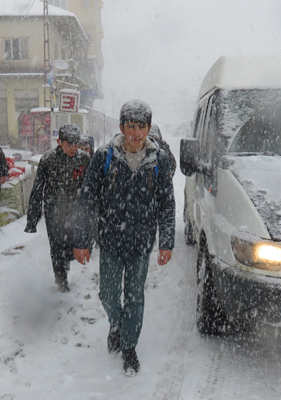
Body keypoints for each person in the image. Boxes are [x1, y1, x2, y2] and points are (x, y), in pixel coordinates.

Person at [73, 100, 175, 376]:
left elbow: (167, 203)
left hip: (141, 243)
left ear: (148, 128)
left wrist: (166, 241)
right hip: (109, 239)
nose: (137, 132)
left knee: (134, 297)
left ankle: (129, 347)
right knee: (108, 293)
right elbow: (87, 199)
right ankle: (116, 324)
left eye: (141, 126)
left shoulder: (159, 159)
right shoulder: (104, 156)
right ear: (121, 127)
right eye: (131, 126)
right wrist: (82, 240)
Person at [25, 124, 91, 292]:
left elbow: (90, 185)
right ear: (59, 142)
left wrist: (82, 193)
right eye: (69, 145)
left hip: (74, 213)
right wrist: (32, 219)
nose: (74, 148)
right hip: (53, 212)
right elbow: (38, 189)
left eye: (76, 144)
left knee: (69, 248)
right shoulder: (48, 159)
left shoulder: (83, 159)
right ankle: (61, 281)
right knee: (56, 248)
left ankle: (65, 267)